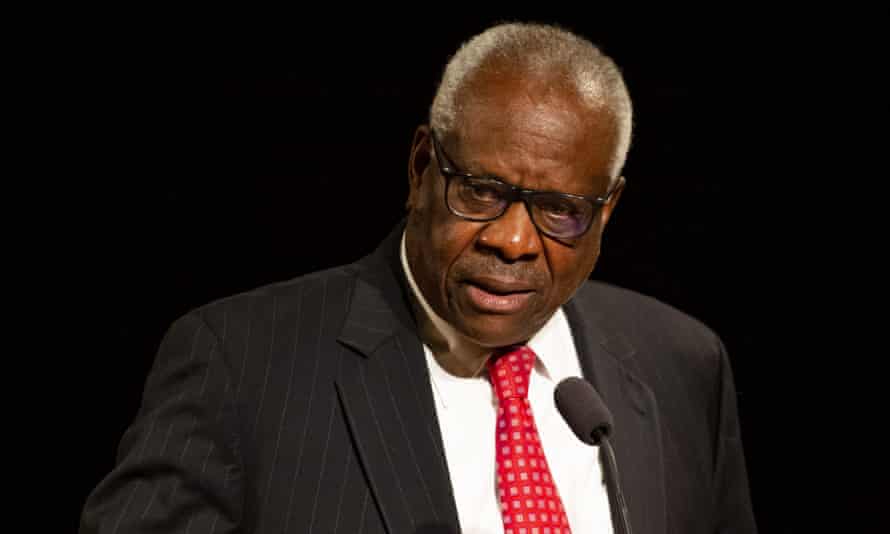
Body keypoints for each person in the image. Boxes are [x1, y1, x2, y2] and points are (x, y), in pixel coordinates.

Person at [80, 22, 756, 534]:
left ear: (607, 210)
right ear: (421, 166)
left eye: (559, 211)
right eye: (483, 192)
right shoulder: (241, 364)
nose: (513, 240)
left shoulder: (682, 364)